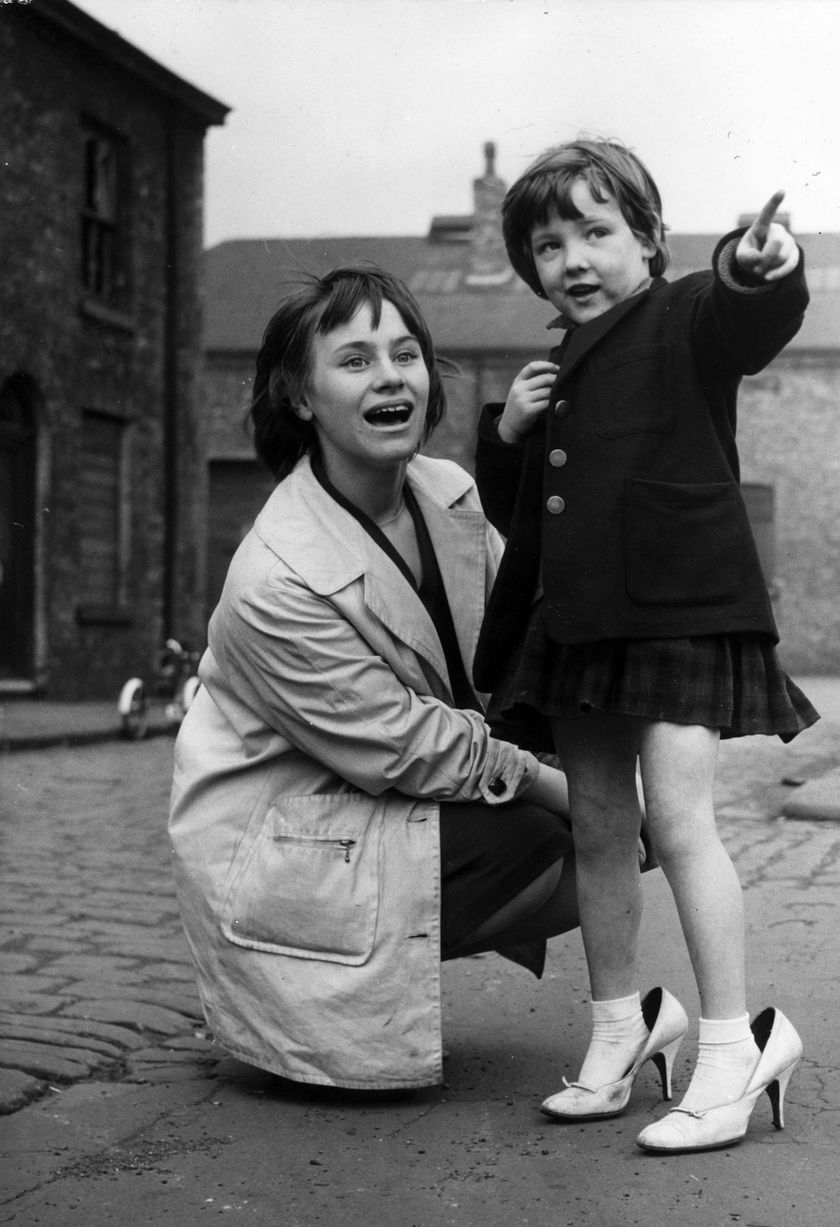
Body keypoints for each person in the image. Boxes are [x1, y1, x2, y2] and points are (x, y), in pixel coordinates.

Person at [472, 138, 818, 1153]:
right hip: (580, 624)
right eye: (548, 246)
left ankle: (732, 1048)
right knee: (596, 828)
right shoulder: (552, 370)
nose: (572, 259)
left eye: (595, 232)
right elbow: (529, 513)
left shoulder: (685, 316)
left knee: (677, 819)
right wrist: (508, 436)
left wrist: (758, 268)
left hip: (677, 611)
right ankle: (622, 1029)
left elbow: (744, 318)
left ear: (651, 239)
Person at [169, 263, 585, 1091]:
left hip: (373, 797)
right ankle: (319, 991)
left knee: (613, 803)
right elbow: (406, 743)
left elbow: (515, 644)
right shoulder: (276, 576)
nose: (390, 376)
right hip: (285, 840)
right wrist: (568, 789)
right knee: (555, 831)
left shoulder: (446, 491)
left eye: (404, 353)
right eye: (355, 360)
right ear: (300, 396)